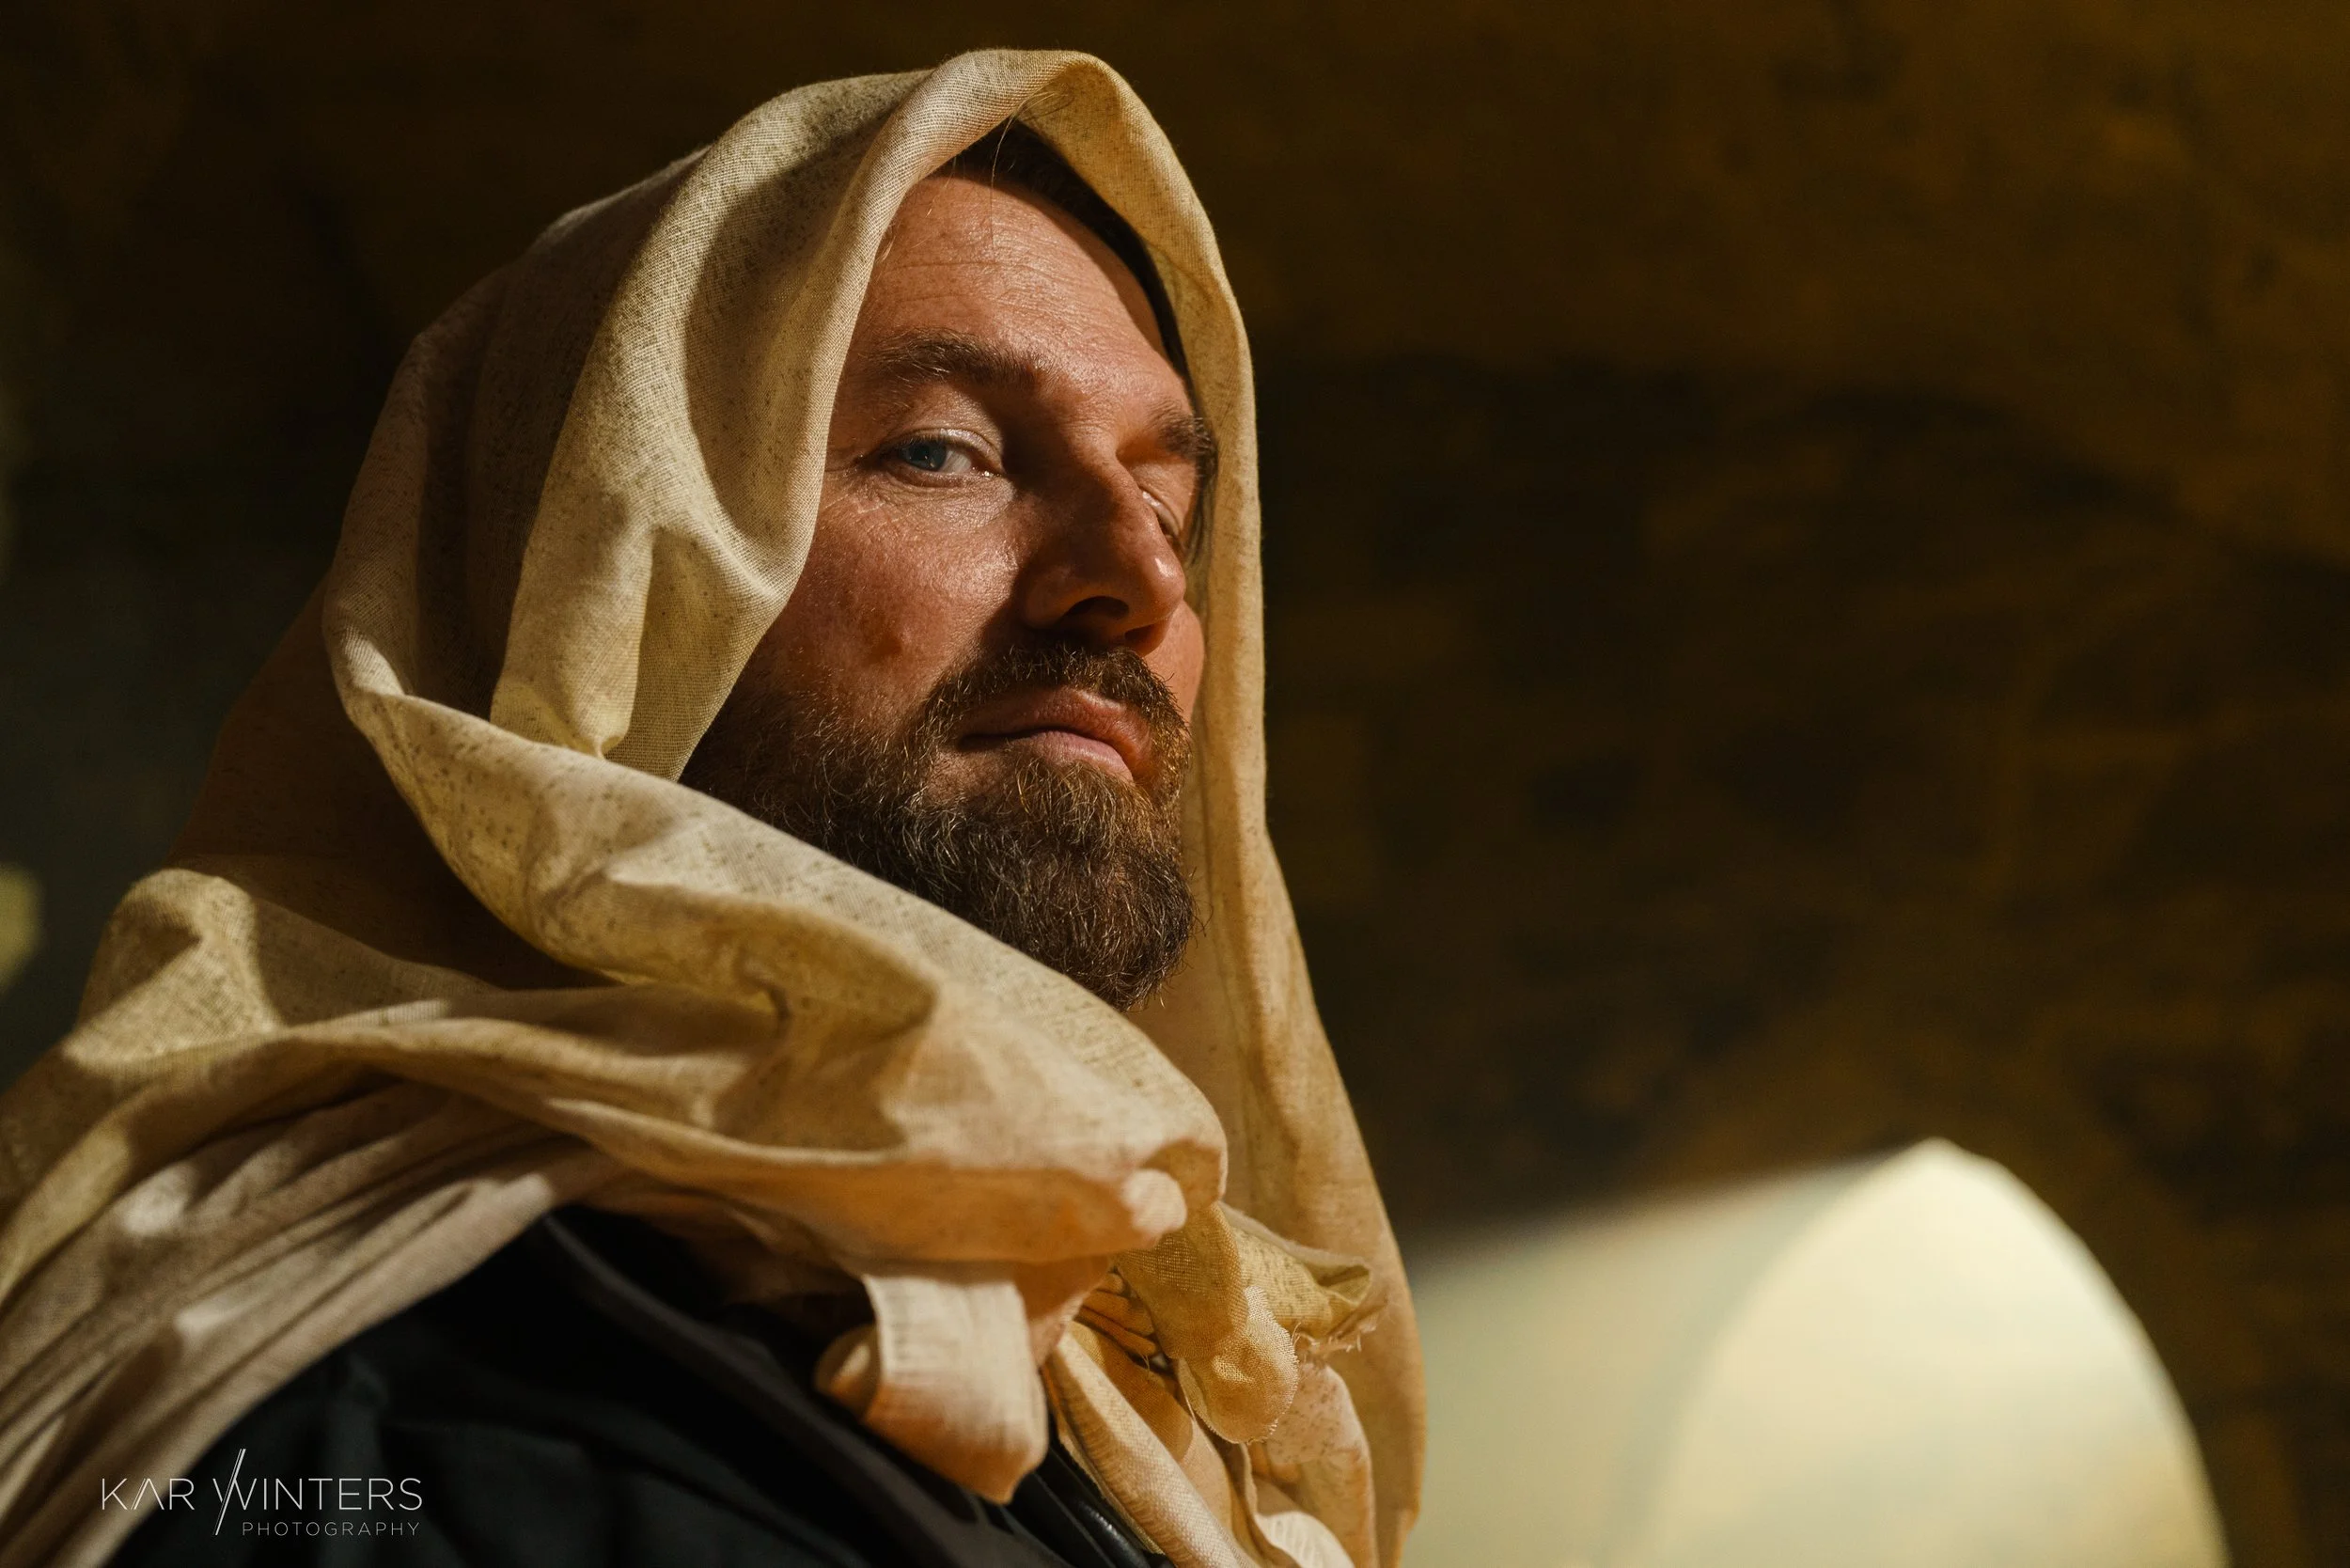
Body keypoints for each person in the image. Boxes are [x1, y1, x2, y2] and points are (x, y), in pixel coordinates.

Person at [0, 51, 1420, 1568]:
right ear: (595, 584)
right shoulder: (428, 1412)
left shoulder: (1118, 1408)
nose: (1136, 582)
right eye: (942, 451)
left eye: (1168, 506)